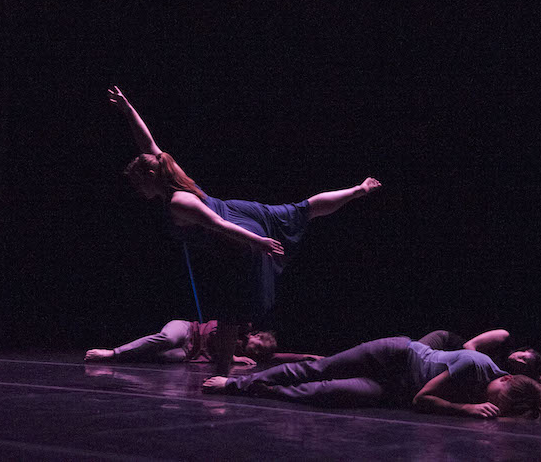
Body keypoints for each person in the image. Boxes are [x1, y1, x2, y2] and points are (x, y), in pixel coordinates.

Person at [108, 86, 381, 375]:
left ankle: (222, 376)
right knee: (303, 209)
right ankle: (357, 190)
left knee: (230, 310)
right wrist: (128, 109)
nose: (138, 190)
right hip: (243, 210)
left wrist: (259, 242)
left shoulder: (178, 202)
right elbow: (147, 142)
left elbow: (219, 225)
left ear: (151, 176)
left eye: (138, 184)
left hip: (237, 233)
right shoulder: (170, 171)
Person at [202, 337, 541, 429]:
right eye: (498, 399)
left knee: (325, 393)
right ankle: (235, 384)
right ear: (504, 378)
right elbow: (423, 400)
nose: (494, 405)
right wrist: (464, 408)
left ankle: (264, 389)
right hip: (394, 356)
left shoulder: (518, 389)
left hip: (395, 390)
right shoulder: (476, 367)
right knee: (319, 369)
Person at [417, 329, 541, 390]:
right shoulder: (503, 339)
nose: (519, 361)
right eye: (523, 357)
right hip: (443, 343)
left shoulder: (508, 371)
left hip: (444, 362)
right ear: (525, 350)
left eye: (524, 364)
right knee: (410, 353)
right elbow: (469, 346)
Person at [84, 319, 322, 365]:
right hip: (187, 330)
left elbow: (274, 357)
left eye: (259, 353)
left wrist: (305, 357)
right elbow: (219, 334)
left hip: (189, 353)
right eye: (258, 347)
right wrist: (232, 357)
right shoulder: (240, 328)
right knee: (167, 338)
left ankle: (124, 358)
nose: (256, 353)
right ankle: (112, 353)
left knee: (162, 358)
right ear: (255, 336)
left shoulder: (248, 354)